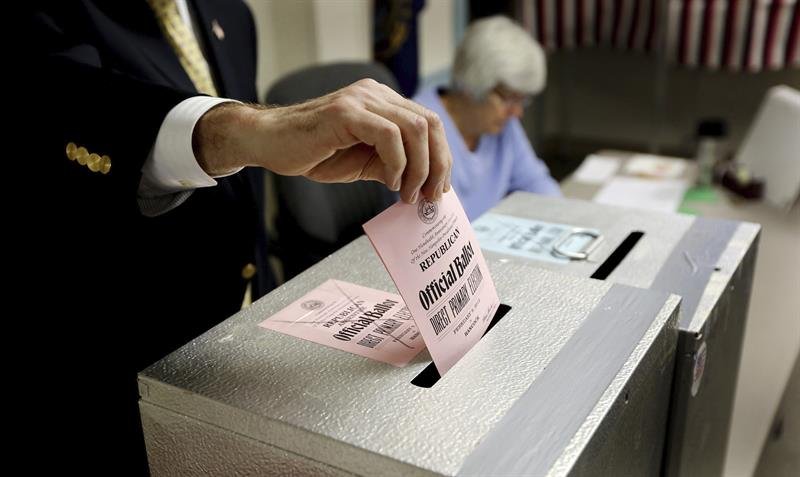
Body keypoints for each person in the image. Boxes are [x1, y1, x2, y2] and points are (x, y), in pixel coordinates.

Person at [26, 1, 450, 473]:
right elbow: (67, 104)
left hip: (245, 332)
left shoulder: (229, 12)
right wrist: (248, 129)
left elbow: (240, 193)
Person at [413, 15, 560, 221]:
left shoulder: (504, 126)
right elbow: (435, 228)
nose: (517, 113)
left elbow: (537, 183)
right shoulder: (420, 128)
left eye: (522, 100)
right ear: (472, 84)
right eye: (510, 99)